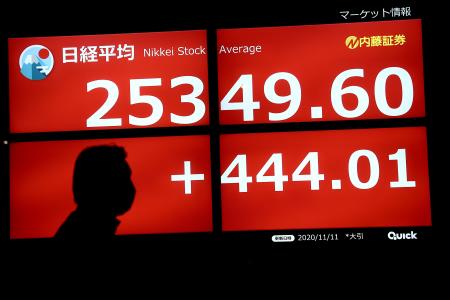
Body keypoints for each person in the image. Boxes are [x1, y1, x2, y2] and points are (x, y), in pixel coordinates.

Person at [55, 145, 135, 239]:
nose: (131, 186)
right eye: (121, 179)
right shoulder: (81, 233)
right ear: (98, 183)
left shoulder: (82, 226)